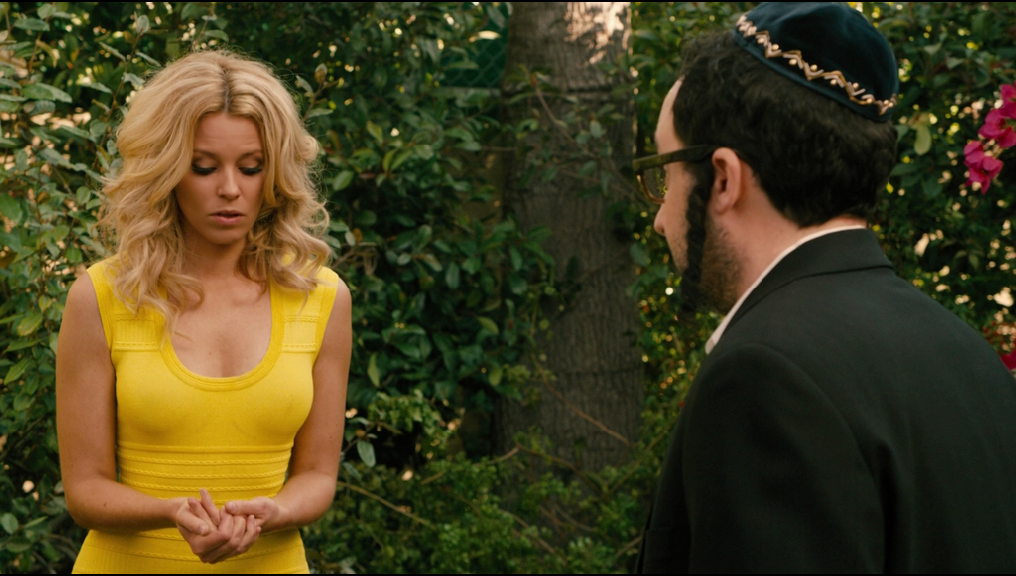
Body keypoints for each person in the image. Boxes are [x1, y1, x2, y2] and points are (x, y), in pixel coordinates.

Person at [633, 3, 1016, 572]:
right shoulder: (969, 356)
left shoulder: (764, 378)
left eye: (664, 176)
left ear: (723, 179)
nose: (660, 219)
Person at [55, 50, 352, 573]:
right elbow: (84, 490)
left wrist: (276, 512)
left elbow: (317, 475)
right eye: (204, 167)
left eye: (251, 167)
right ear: (167, 170)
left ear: (275, 173)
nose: (230, 188)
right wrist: (172, 512)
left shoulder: (321, 297)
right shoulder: (103, 296)